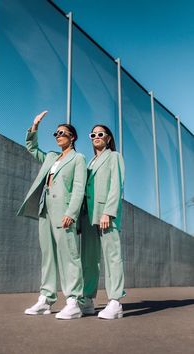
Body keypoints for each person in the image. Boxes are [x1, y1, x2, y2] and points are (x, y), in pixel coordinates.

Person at [17, 111, 87, 320]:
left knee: (69, 255)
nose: (57, 136)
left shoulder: (78, 159)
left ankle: (73, 300)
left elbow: (79, 187)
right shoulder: (51, 157)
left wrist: (71, 212)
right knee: (48, 256)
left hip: (64, 211)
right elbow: (31, 147)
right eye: (55, 133)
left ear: (72, 137)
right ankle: (46, 299)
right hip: (45, 209)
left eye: (62, 133)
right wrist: (35, 126)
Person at [80, 124, 125, 320]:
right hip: (89, 216)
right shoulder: (90, 162)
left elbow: (117, 185)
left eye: (101, 134)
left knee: (112, 256)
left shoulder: (114, 157)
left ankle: (115, 301)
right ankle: (88, 300)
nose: (96, 137)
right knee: (89, 259)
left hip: (106, 214)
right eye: (93, 134)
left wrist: (108, 212)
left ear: (108, 138)